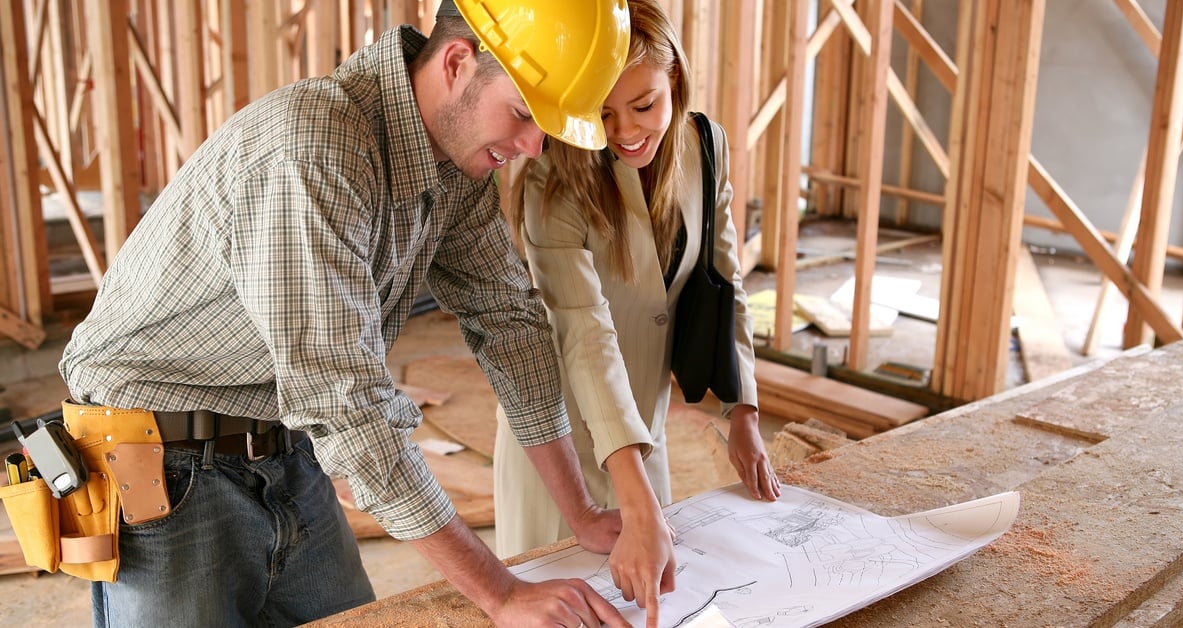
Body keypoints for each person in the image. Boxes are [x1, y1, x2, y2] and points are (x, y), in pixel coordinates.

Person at [56, 1, 638, 626]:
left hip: (285, 442)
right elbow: (345, 400)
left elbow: (509, 326)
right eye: (524, 114)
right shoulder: (314, 148)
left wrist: (581, 514)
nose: (530, 145)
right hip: (158, 464)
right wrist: (500, 593)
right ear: (457, 62)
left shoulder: (454, 164)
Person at [494, 0, 782, 614]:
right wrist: (635, 497)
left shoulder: (706, 147)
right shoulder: (553, 173)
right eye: (602, 113)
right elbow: (583, 332)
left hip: (644, 423)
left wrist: (743, 412)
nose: (624, 131)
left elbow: (724, 278)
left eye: (644, 105)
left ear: (674, 75)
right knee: (563, 608)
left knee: (655, 600)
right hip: (562, 435)